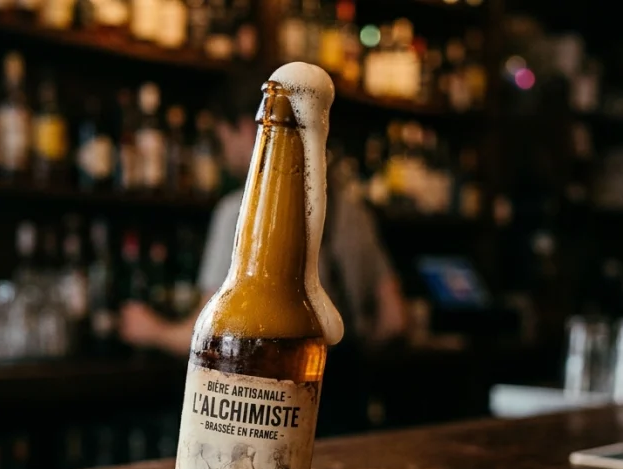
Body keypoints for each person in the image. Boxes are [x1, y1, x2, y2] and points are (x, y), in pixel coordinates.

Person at [119, 74, 407, 436]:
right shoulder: (354, 211)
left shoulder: (241, 212)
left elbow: (213, 334)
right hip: (349, 413)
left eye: (222, 139)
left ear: (244, 126)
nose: (223, 156)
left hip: (271, 411)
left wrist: (153, 331)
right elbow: (394, 318)